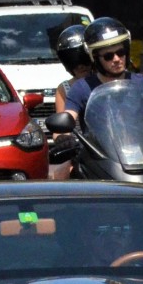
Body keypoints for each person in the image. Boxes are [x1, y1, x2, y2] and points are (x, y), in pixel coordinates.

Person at [62, 16, 143, 132]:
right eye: (108, 56)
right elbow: (66, 120)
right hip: (97, 152)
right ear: (95, 58)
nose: (116, 59)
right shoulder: (81, 88)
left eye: (121, 52)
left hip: (141, 150)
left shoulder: (142, 83)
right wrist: (63, 137)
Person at [49, 24, 92, 178]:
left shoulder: (108, 84)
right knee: (60, 175)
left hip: (110, 148)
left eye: (84, 60)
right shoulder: (64, 88)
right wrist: (63, 139)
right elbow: (60, 128)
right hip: (81, 150)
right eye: (73, 61)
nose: (80, 66)